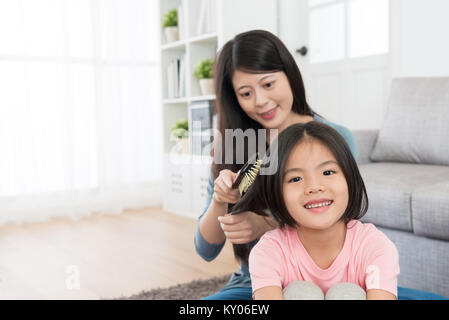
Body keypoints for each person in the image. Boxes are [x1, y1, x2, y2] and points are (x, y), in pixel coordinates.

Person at [194, 29, 356, 300]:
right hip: (256, 280)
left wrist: (265, 226)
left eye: (268, 84)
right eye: (246, 93)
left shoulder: (334, 137)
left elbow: (343, 225)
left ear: (289, 76)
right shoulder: (234, 144)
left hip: (328, 278)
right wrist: (220, 200)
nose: (260, 101)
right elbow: (206, 250)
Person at [233, 121, 399, 299]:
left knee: (346, 295)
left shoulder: (375, 246)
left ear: (350, 179)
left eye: (327, 172)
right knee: (300, 293)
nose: (314, 187)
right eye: (295, 178)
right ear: (277, 192)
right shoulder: (268, 251)